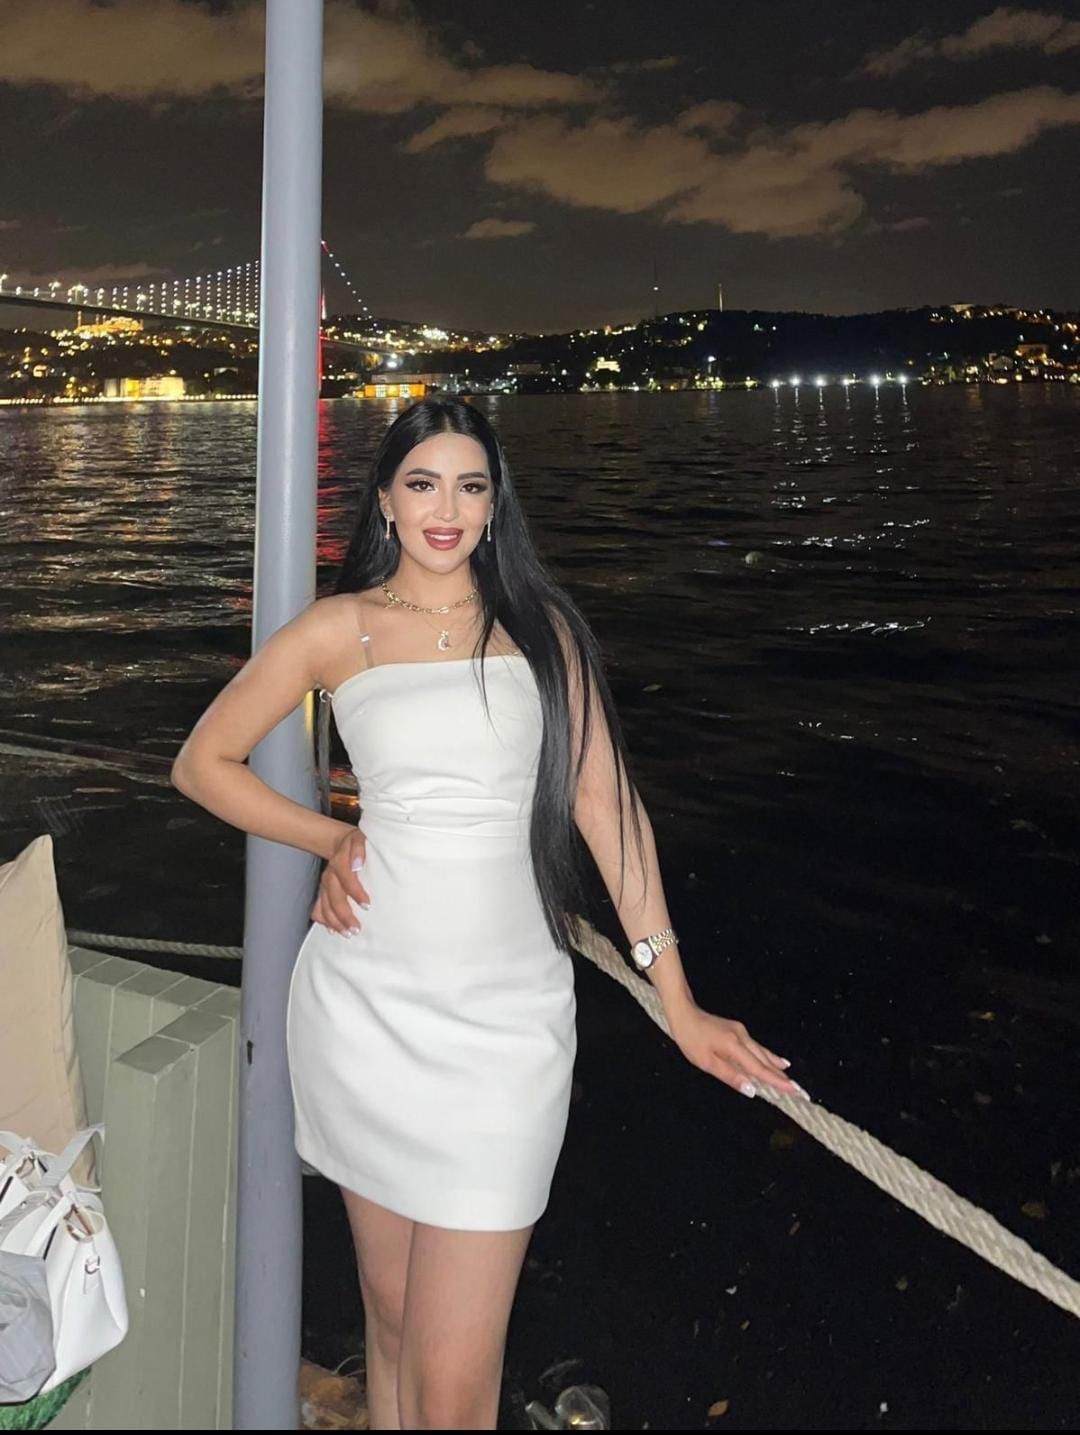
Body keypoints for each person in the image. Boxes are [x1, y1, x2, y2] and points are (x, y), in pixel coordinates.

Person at [171, 396, 808, 1431]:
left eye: (470, 486)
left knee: (456, 1384)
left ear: (494, 502)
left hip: (507, 1029)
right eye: (422, 483)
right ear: (385, 499)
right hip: (366, 1011)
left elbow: (608, 810)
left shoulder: (541, 631)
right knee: (388, 1319)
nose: (446, 509)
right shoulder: (342, 628)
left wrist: (678, 999)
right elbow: (203, 761)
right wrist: (329, 838)